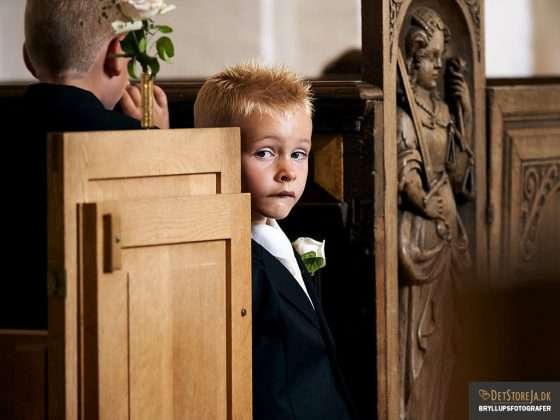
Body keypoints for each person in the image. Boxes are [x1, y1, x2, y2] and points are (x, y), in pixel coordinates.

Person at [194, 62, 355, 420]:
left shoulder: (278, 238)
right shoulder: (231, 262)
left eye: (299, 153)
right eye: (266, 152)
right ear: (215, 152)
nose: (289, 171)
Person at [2, 0, 169, 329]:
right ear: (115, 56)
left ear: (28, 59)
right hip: (103, 343)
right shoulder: (135, 143)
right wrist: (159, 144)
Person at [396, 7, 474, 420]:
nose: (438, 67)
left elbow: (460, 175)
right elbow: (406, 168)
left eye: (442, 60)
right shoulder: (404, 116)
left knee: (453, 332)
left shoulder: (443, 114)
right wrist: (422, 201)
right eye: (431, 59)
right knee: (420, 341)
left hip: (450, 232)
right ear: (412, 59)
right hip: (422, 236)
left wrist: (464, 111)